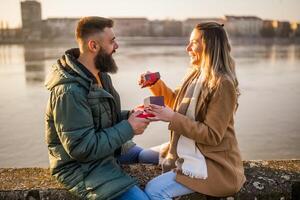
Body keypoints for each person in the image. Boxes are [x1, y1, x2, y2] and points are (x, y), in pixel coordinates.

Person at [44, 16, 156, 200]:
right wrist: (129, 127)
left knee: (154, 157)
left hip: (106, 152)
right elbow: (82, 148)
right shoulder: (68, 92)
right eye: (112, 41)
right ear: (93, 46)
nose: (117, 46)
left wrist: (131, 115)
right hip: (81, 167)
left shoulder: (101, 76)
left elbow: (100, 117)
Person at [139, 22, 246, 199]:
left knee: (154, 189)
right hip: (189, 147)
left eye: (194, 42)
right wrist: (155, 84)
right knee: (141, 154)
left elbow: (212, 135)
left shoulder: (223, 84)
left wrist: (172, 117)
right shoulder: (195, 73)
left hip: (210, 161)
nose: (187, 47)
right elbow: (177, 103)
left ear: (209, 46)